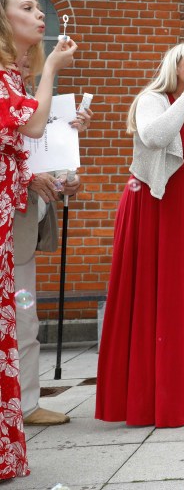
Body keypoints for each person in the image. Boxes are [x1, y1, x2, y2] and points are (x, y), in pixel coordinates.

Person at [96, 41, 184, 428]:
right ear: (175, 65)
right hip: (154, 204)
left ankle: (183, 390)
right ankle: (147, 397)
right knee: (155, 294)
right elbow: (155, 137)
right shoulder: (152, 98)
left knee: (183, 296)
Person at [0, 0, 77, 477]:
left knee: (20, 320)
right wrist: (50, 70)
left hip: (18, 221)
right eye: (26, 7)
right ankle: (24, 404)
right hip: (9, 222)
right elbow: (29, 130)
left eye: (38, 5)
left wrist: (68, 131)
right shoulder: (10, 80)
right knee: (18, 320)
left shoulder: (17, 78)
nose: (39, 13)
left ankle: (25, 405)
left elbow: (29, 141)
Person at [14, 99, 91, 427]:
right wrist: (29, 176)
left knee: (26, 322)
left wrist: (69, 180)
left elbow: (54, 169)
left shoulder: (34, 103)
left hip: (24, 238)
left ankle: (27, 405)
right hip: (9, 229)